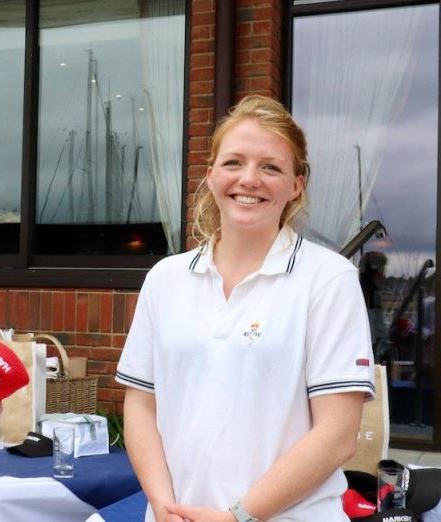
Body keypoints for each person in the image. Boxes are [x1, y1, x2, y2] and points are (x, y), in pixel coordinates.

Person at [116, 95, 375, 522]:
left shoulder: (329, 280)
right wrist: (164, 507)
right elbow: (142, 404)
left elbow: (336, 437)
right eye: (233, 162)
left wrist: (239, 515)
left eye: (270, 167)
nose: (249, 179)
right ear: (212, 174)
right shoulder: (166, 278)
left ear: (296, 185)